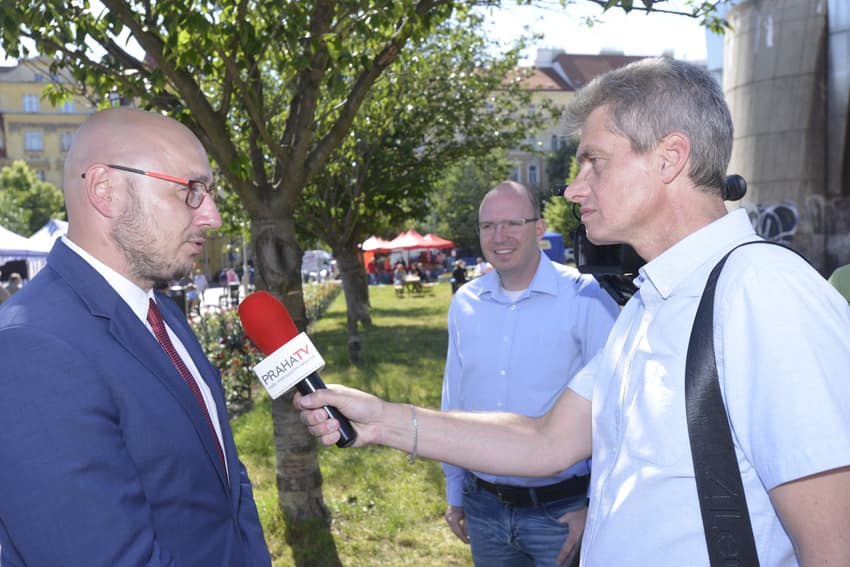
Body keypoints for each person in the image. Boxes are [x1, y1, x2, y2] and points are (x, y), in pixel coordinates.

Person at [295, 57, 850, 566]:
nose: (573, 189)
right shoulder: (649, 305)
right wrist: (383, 420)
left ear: (670, 157)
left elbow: (834, 545)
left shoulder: (762, 293)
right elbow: (546, 440)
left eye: (594, 163)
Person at [0, 108, 271, 566]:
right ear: (104, 190)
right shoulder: (31, 347)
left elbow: (228, 482)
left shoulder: (162, 313)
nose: (213, 217)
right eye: (190, 190)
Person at [442, 181, 618, 566]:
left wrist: (595, 506)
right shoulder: (465, 303)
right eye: (488, 226)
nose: (499, 236)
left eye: (512, 223)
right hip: (483, 507)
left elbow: (612, 412)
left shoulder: (587, 297)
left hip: (562, 511)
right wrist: (455, 490)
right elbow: (453, 400)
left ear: (539, 228)